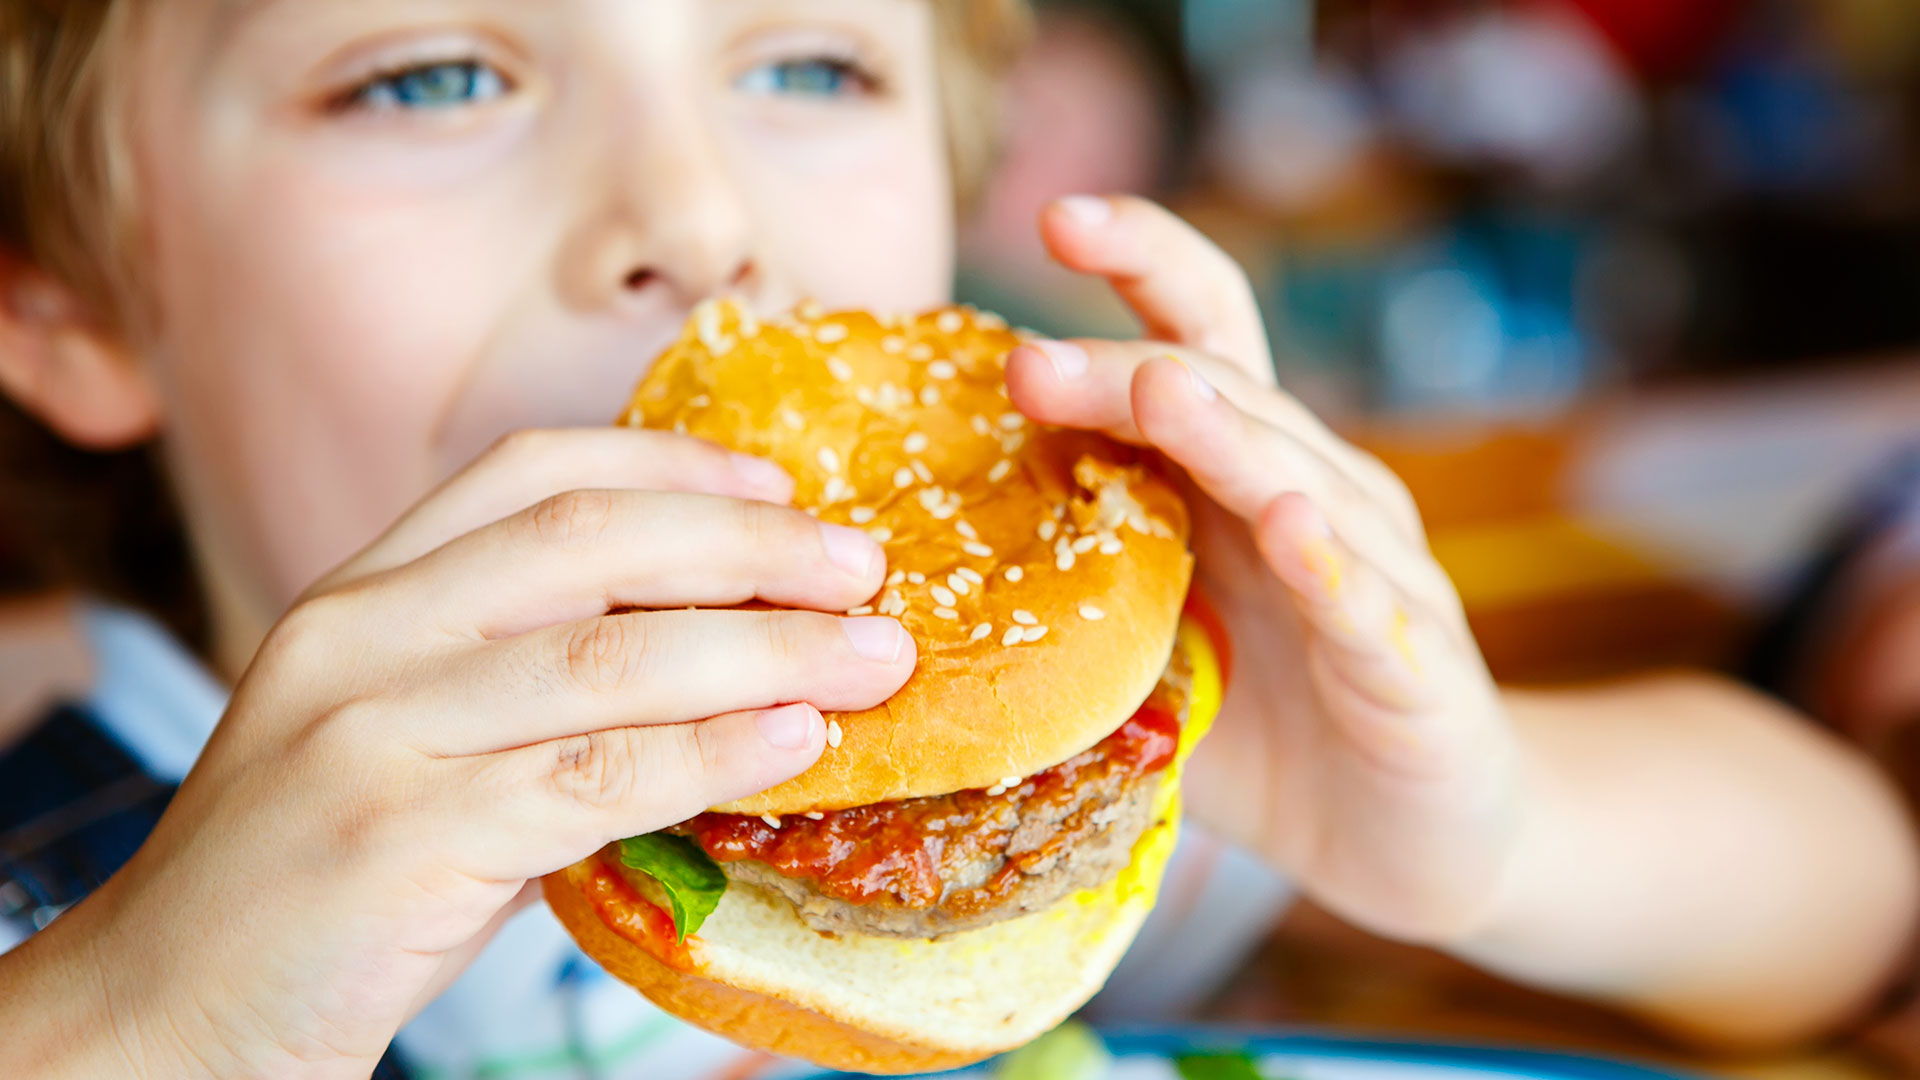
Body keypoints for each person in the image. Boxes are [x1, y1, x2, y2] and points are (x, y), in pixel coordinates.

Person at [0, 2, 1914, 1078]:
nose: (694, 212)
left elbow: (1854, 903)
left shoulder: (986, 777)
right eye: (430, 75)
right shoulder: (59, 873)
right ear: (71, 301)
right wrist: (145, 1028)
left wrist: (1482, 829)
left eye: (807, 67)